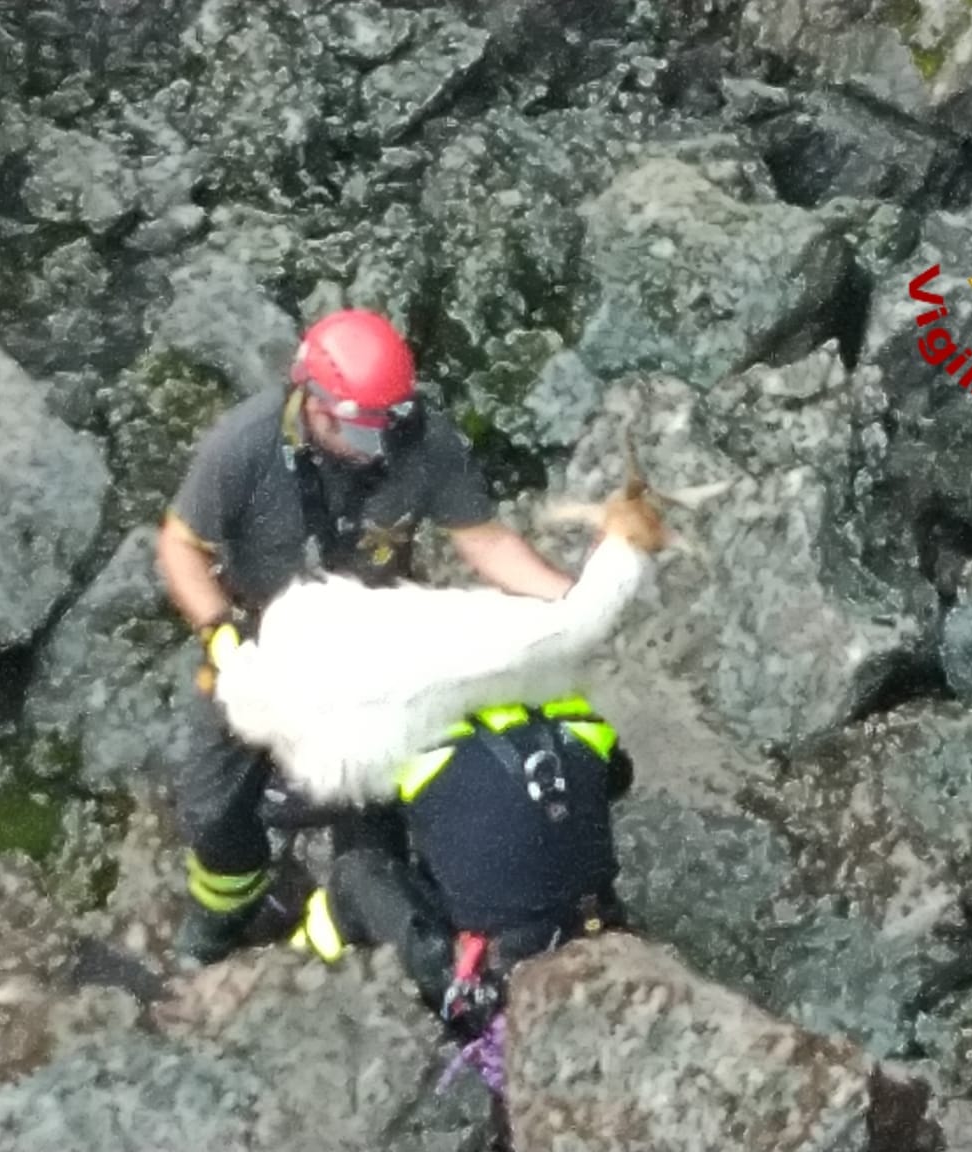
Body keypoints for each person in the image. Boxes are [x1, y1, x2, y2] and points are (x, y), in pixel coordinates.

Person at [155, 308, 576, 964]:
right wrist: (219, 632)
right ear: (311, 401)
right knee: (213, 808)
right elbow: (182, 545)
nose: (372, 445)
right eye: (354, 427)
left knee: (372, 803)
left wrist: (570, 603)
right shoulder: (244, 446)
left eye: (383, 426)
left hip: (371, 656)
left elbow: (485, 539)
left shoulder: (421, 442)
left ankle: (356, 919)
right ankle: (223, 914)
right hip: (261, 647)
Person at [286, 694, 634, 1035]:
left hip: (491, 993)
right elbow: (618, 778)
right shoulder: (574, 707)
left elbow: (288, 805)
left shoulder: (401, 736)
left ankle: (293, 982)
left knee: (355, 873)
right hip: (605, 941)